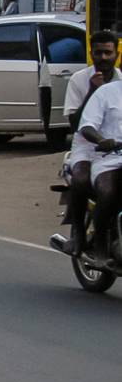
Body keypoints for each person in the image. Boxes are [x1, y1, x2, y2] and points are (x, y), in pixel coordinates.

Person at [59, 30, 120, 260]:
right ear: (91, 53)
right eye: (99, 52)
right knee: (83, 180)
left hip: (117, 148)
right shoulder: (80, 80)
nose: (103, 57)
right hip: (87, 147)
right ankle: (78, 233)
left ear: (116, 54)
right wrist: (92, 90)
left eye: (108, 52)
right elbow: (77, 123)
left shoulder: (120, 81)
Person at [79, 73, 122, 263]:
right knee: (108, 191)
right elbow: (87, 125)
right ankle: (100, 244)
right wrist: (101, 140)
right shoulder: (106, 93)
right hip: (109, 158)